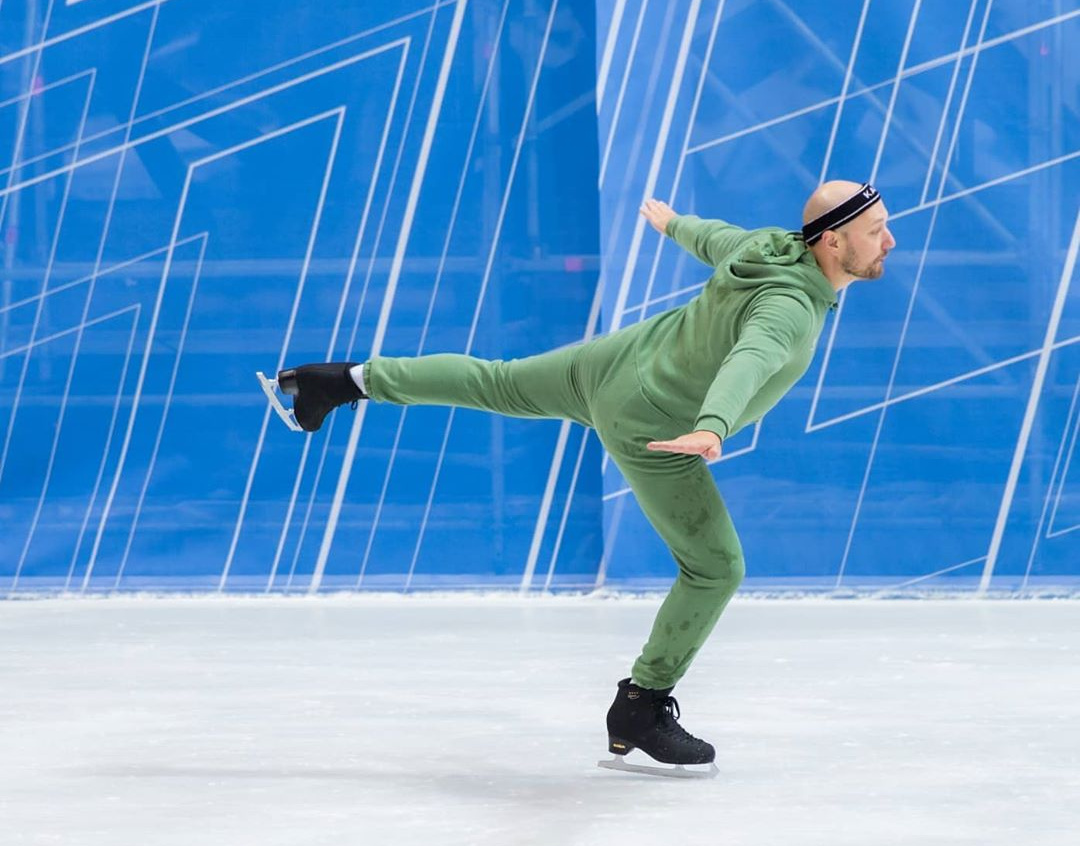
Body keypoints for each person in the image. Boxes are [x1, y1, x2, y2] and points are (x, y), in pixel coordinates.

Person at [271, 180, 896, 775]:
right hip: (651, 421)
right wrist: (713, 425)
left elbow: (717, 238)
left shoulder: (768, 245)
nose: (889, 241)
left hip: (615, 361)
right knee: (715, 568)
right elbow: (750, 358)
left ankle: (341, 381)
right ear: (830, 240)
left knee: (496, 381)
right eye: (875, 231)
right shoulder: (789, 307)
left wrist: (674, 224)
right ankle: (640, 706)